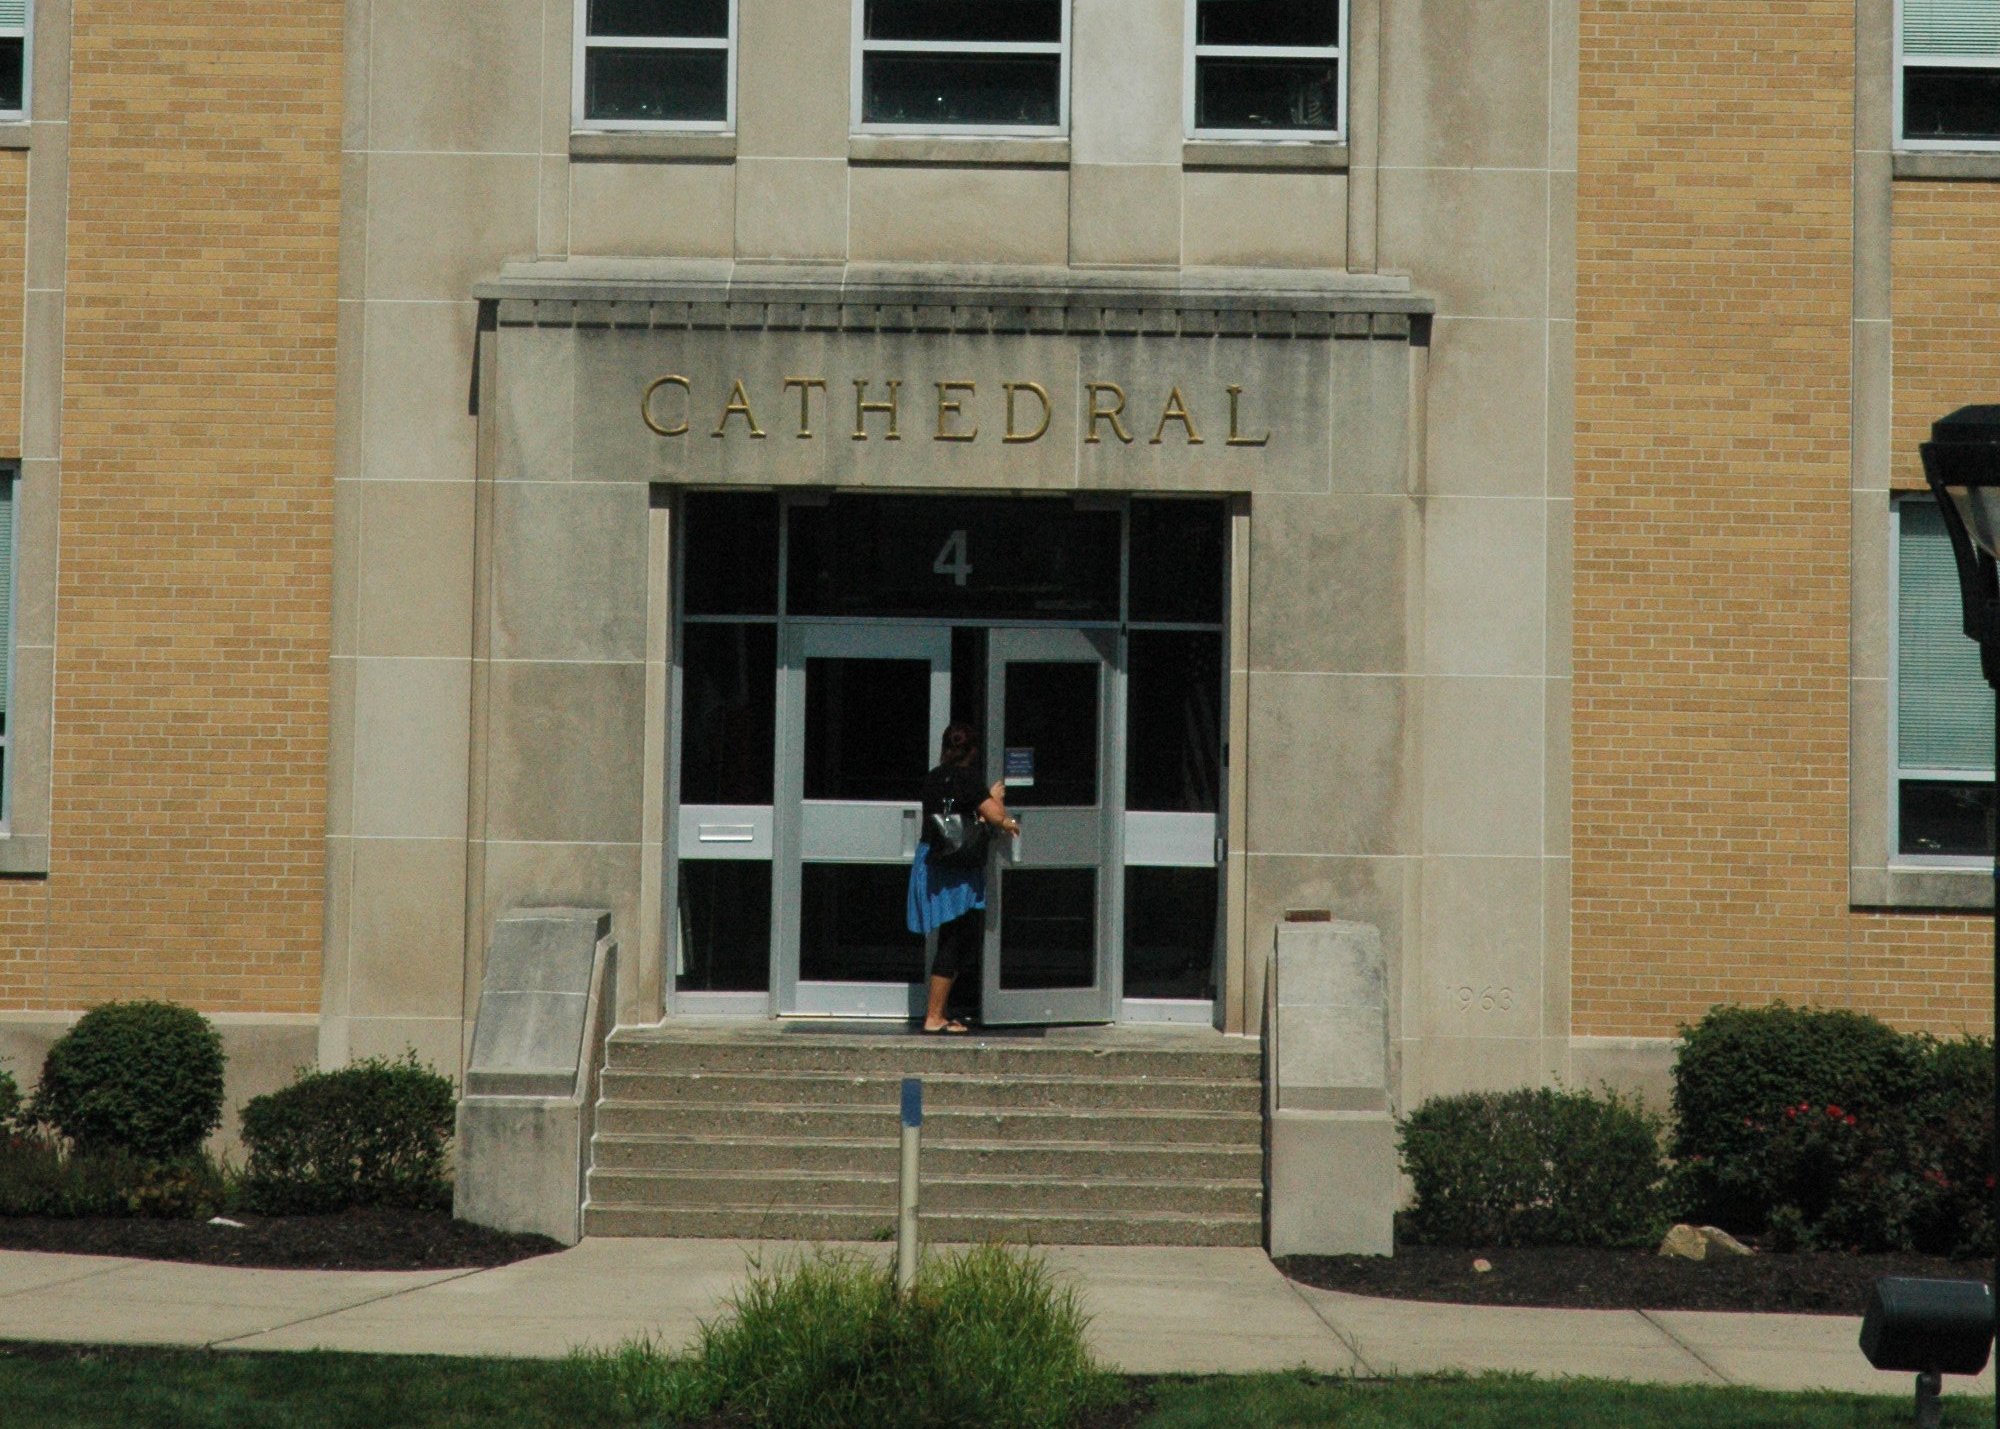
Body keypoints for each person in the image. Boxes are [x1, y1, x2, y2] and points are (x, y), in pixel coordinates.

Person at [906, 721, 1019, 1033]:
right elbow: (995, 816)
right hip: (957, 871)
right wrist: (1003, 811)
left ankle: (940, 1012)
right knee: (956, 939)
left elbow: (951, 814)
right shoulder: (969, 779)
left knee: (955, 937)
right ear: (972, 751)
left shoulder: (932, 778)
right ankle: (934, 1016)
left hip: (932, 862)